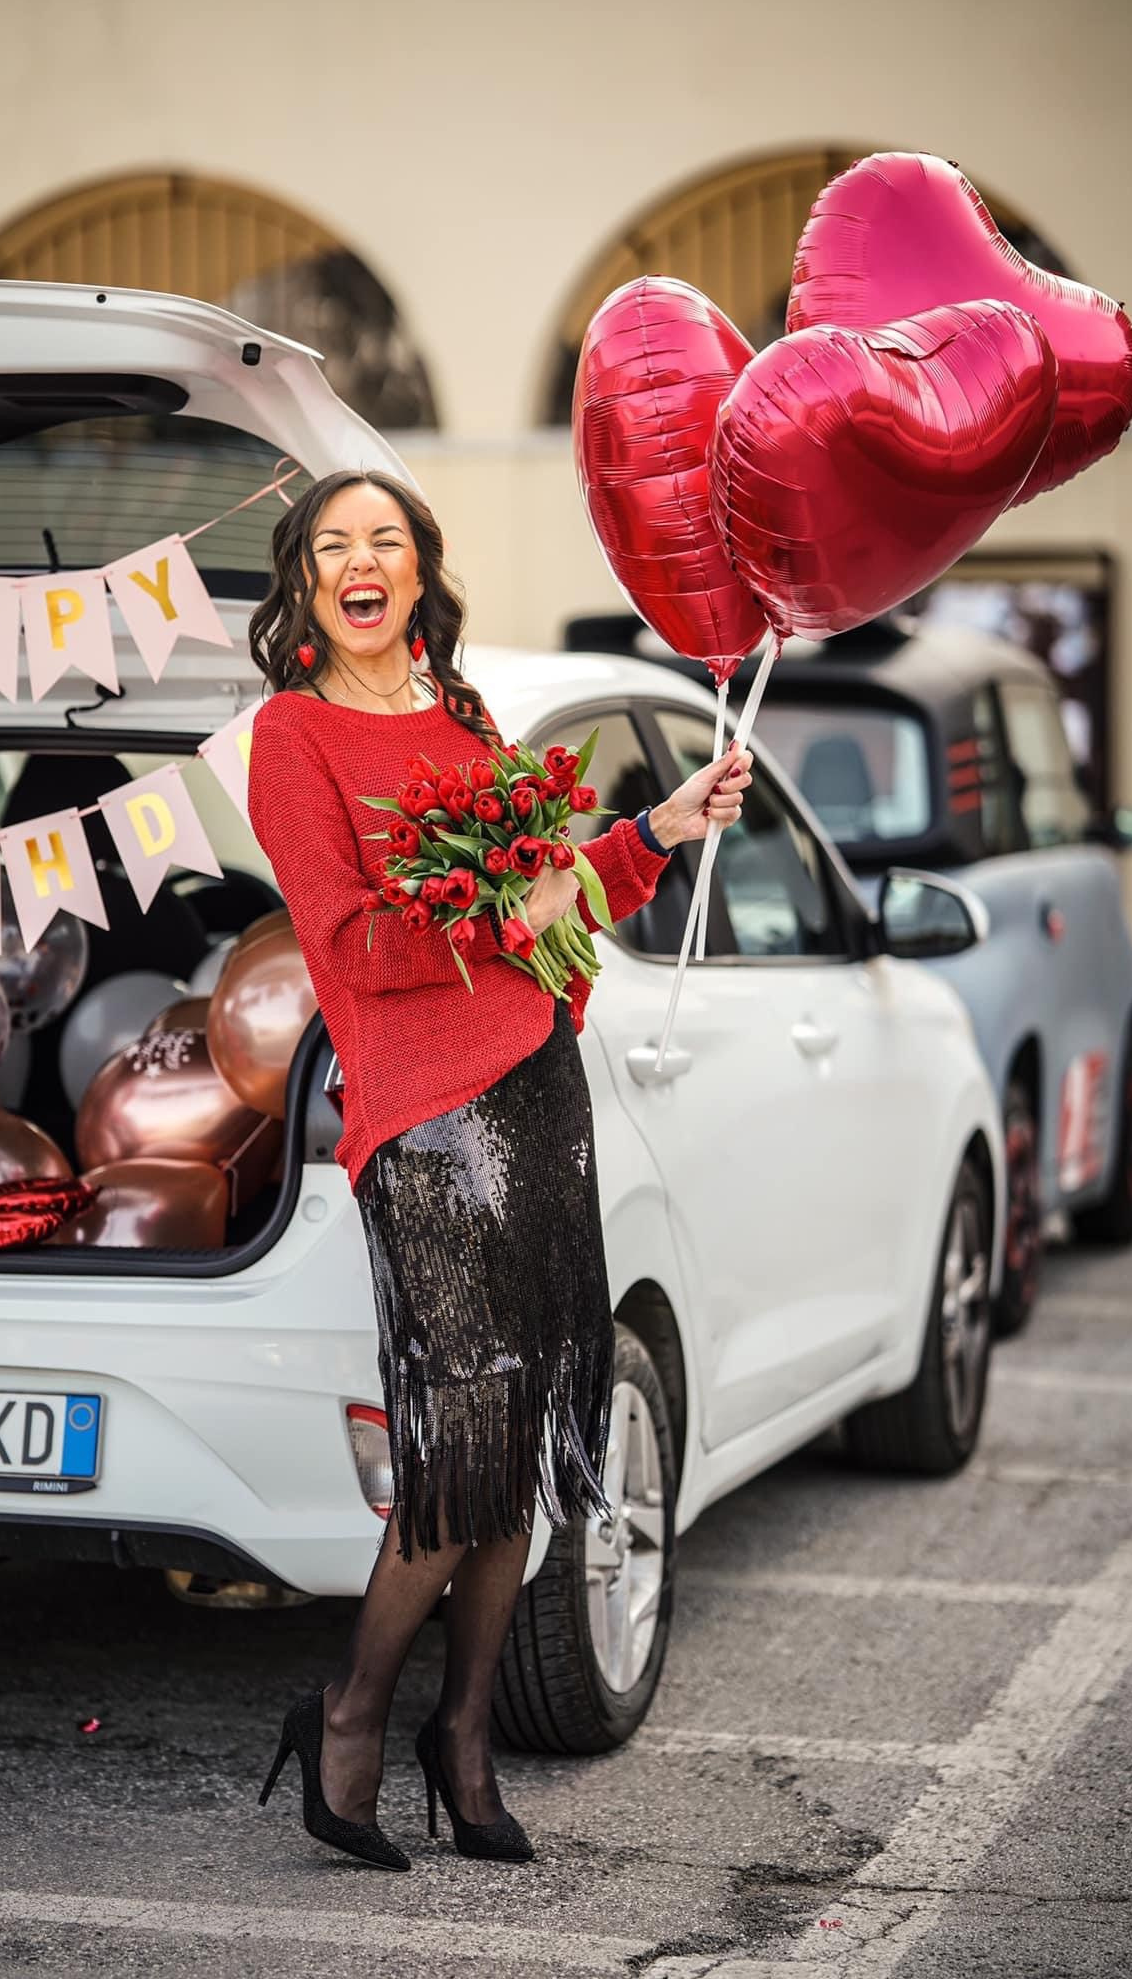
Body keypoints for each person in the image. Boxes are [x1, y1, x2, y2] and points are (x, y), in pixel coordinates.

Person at [246, 471, 752, 1870]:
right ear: (303, 581)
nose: (362, 563)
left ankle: (460, 1738)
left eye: (386, 543)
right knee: (454, 1451)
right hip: (423, 1123)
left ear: (418, 575)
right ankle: (349, 1712)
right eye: (334, 545)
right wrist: (493, 916)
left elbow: (550, 894)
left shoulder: (463, 717)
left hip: (537, 1093)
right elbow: (346, 942)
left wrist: (658, 829)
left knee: (520, 1443)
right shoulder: (292, 736)